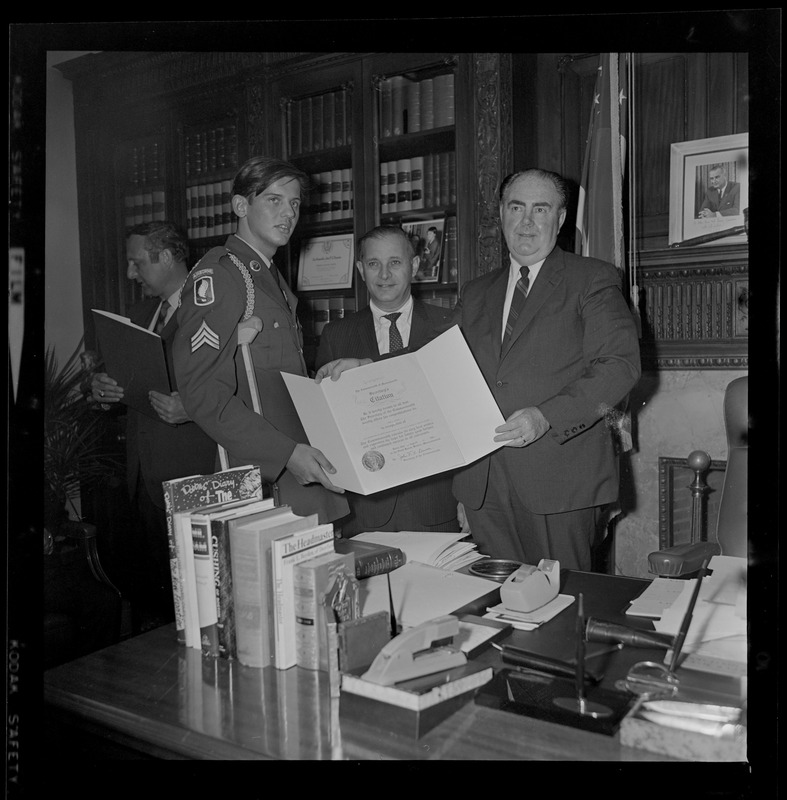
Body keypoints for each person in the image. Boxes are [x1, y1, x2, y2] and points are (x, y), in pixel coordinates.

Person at [449, 168, 641, 571]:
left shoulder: (593, 279)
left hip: (560, 481)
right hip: (484, 484)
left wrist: (545, 417)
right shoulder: (476, 291)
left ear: (561, 218)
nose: (526, 221)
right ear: (501, 213)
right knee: (497, 606)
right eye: (516, 207)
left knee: (561, 608)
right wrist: (364, 366)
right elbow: (440, 365)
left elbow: (619, 367)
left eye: (541, 209)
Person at [172, 156, 349, 527]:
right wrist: (285, 455)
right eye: (274, 200)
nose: (288, 213)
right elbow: (202, 393)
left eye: (295, 204)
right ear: (241, 205)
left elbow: (270, 379)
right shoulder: (221, 274)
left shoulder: (270, 278)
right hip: (261, 483)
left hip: (298, 478)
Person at [90, 221, 218, 630]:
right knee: (160, 601)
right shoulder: (139, 315)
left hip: (193, 473)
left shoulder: (211, 307)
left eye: (137, 262)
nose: (131, 274)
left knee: (200, 601)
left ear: (167, 257)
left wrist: (193, 407)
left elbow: (245, 387)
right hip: (143, 478)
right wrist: (103, 389)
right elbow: (129, 382)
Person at [315, 225, 459, 537]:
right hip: (364, 511)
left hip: (438, 504)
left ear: (415, 266)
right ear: (360, 270)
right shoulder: (336, 336)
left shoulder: (448, 327)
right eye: (373, 264)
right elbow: (328, 431)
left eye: (395, 262)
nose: (384, 275)